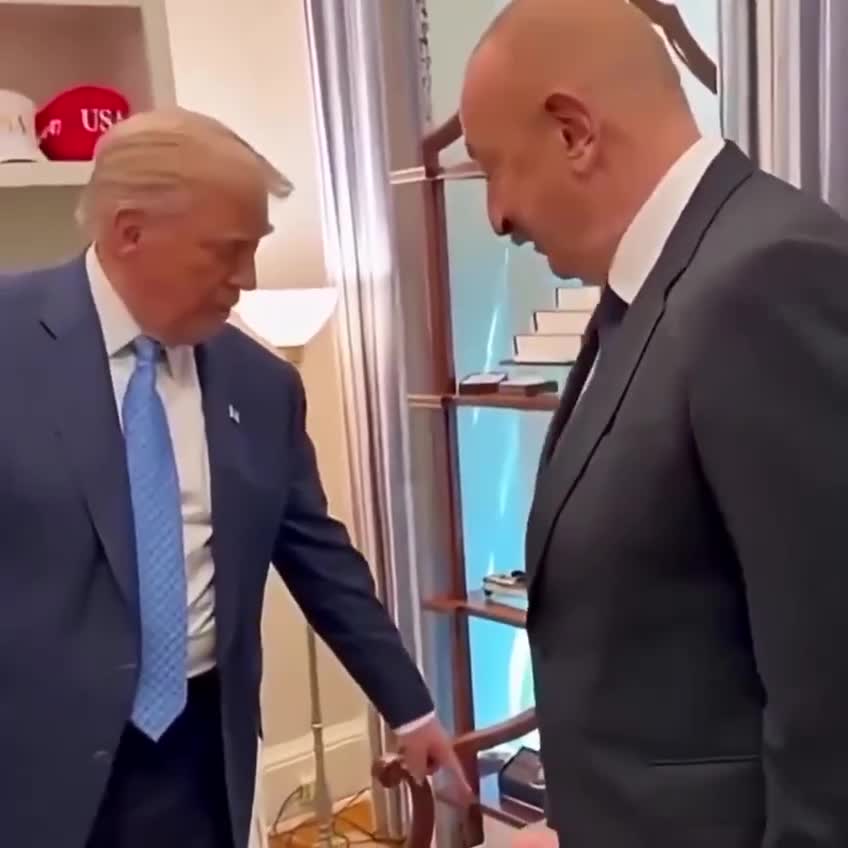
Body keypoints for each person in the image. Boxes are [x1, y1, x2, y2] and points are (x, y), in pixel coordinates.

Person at [0, 107, 468, 848]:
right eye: (228, 251)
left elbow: (321, 560)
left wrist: (410, 708)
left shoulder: (263, 386)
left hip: (198, 757)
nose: (246, 280)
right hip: (31, 760)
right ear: (129, 232)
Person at [460, 0, 848, 845]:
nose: (496, 215)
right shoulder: (649, 293)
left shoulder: (765, 276)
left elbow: (831, 690)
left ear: (574, 132)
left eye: (494, 168)